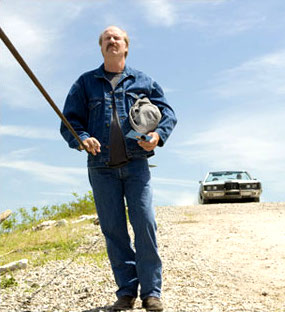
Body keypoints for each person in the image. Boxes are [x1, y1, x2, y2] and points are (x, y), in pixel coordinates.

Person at [60, 25, 177, 312]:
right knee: (114, 232)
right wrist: (82, 138)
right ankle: (126, 293)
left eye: (117, 37)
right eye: (106, 38)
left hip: (137, 165)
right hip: (101, 169)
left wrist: (158, 136)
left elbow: (169, 113)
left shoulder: (143, 80)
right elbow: (69, 122)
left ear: (126, 46)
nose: (112, 40)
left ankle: (152, 293)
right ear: (101, 47)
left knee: (145, 225)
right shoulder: (85, 83)